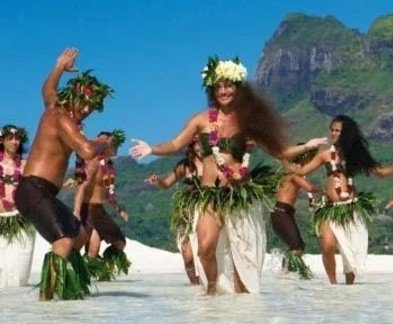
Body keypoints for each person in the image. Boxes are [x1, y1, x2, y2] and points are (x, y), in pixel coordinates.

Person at [130, 57, 304, 295]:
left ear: (238, 88)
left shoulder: (248, 122)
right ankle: (212, 292)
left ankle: (242, 306)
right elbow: (175, 144)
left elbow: (279, 151)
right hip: (209, 194)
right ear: (212, 90)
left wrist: (307, 146)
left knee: (242, 256)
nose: (223, 91)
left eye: (228, 86)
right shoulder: (201, 120)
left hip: (237, 196)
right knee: (205, 247)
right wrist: (151, 149)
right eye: (218, 87)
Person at [15, 48, 111, 300]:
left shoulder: (53, 106)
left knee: (78, 235)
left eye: (93, 106)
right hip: (32, 189)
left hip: (43, 193)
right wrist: (103, 143)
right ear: (75, 94)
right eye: (86, 101)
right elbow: (87, 150)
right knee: (64, 242)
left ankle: (70, 296)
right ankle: (48, 305)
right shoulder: (62, 118)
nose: (88, 109)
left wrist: (58, 66)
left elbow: (46, 89)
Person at [293, 115, 393, 285]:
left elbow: (381, 173)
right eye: (332, 130)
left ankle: (349, 290)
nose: (333, 133)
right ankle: (332, 285)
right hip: (330, 208)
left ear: (345, 133)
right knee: (327, 246)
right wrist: (288, 159)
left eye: (337, 131)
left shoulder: (355, 155)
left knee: (350, 254)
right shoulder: (325, 155)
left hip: (351, 209)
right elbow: (301, 171)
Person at [144, 138, 203, 285]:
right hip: (187, 211)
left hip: (207, 210)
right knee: (188, 257)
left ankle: (209, 289)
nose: (202, 145)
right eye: (199, 143)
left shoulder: (213, 161)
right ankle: (195, 289)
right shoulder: (184, 166)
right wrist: (158, 181)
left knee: (205, 252)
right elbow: (166, 184)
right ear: (191, 145)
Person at [74, 130, 130, 281]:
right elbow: (82, 186)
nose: (114, 147)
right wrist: (76, 212)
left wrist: (119, 209)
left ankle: (100, 273)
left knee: (114, 244)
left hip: (99, 210)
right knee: (97, 247)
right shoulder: (93, 162)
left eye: (116, 144)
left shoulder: (108, 167)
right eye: (111, 143)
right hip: (88, 209)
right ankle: (82, 277)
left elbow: (108, 194)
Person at [271, 139, 327, 280]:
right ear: (305, 157)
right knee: (296, 247)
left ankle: (286, 273)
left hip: (286, 213)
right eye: (310, 158)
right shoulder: (293, 171)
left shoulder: (294, 171)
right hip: (281, 212)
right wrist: (325, 190)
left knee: (299, 245)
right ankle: (285, 274)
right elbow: (309, 188)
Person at [0, 124, 34, 288]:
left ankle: (17, 310)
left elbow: (40, 182)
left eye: (17, 138)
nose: (15, 142)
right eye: (10, 138)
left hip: (21, 220)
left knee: (20, 271)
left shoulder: (25, 165)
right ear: (2, 140)